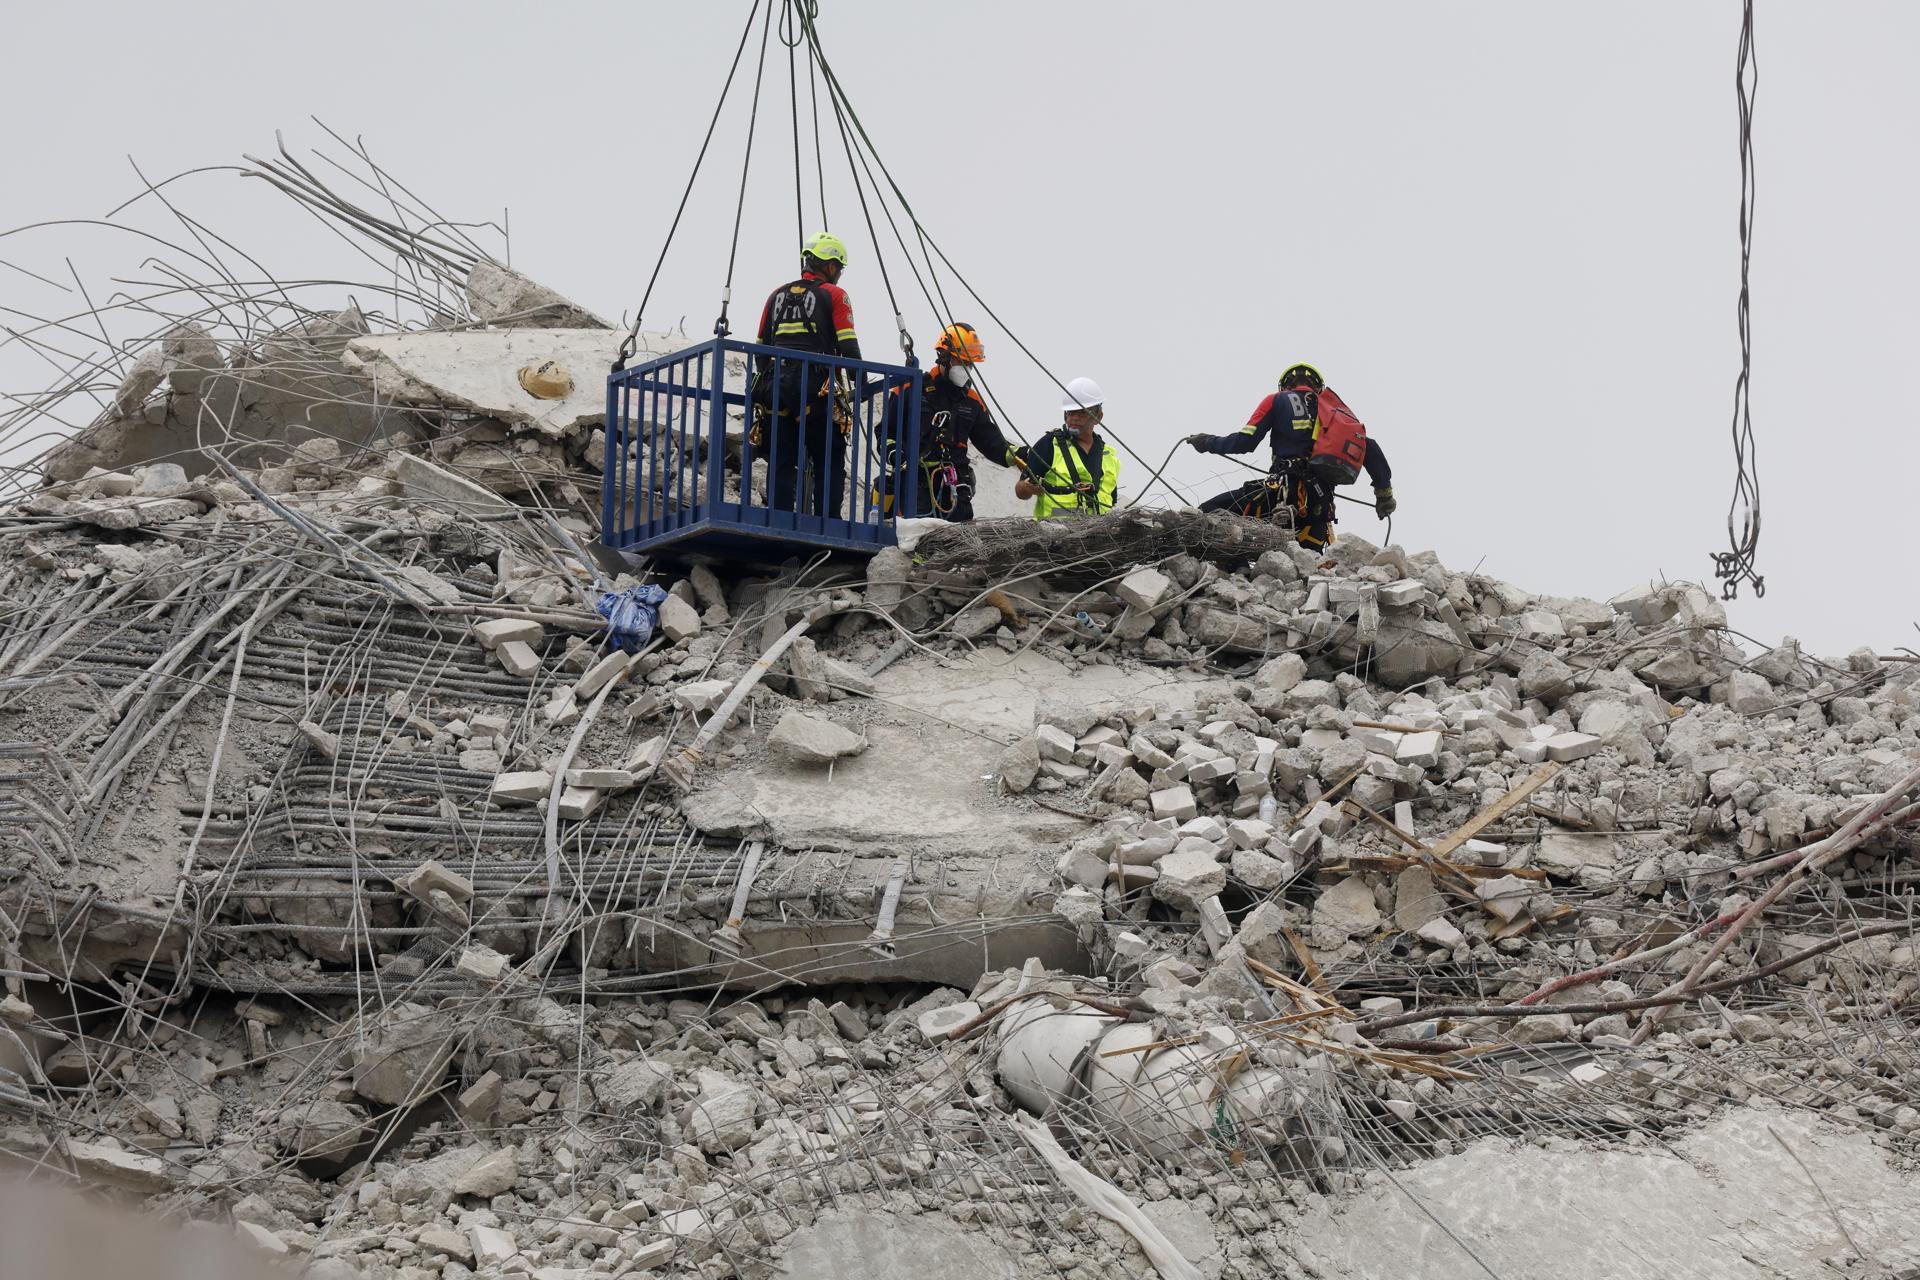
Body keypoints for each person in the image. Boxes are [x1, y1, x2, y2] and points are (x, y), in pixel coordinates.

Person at [1185, 362, 1395, 549]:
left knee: (1206, 513)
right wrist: (1384, 495)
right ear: (1318, 388)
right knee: (1308, 570)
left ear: (1285, 386)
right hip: (1319, 508)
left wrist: (1206, 442)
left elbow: (1245, 441)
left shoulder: (1277, 400)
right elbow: (1370, 447)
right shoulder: (1335, 417)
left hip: (1279, 496)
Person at [752, 232, 861, 516]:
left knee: (781, 457)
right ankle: (828, 520)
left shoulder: (776, 295)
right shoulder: (834, 295)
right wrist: (858, 380)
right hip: (815, 387)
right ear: (829, 265)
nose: (838, 274)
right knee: (829, 454)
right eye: (837, 267)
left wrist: (767, 381)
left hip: (777, 385)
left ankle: (780, 517)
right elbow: (848, 345)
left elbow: (761, 349)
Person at [880, 322, 1025, 521]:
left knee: (958, 543)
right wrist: (896, 455)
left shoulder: (972, 401)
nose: (966, 369)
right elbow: (885, 432)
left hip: (956, 485)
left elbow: (990, 441)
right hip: (915, 481)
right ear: (944, 358)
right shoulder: (910, 390)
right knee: (915, 537)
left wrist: (1020, 455)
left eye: (970, 364)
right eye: (961, 363)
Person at [1015, 377, 1119, 518]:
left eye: (1081, 413)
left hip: (1098, 534)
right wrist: (1028, 488)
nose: (1074, 418)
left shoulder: (1108, 455)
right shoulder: (1050, 444)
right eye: (1070, 412)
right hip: (1055, 534)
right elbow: (1020, 491)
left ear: (1098, 417)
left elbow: (1110, 502)